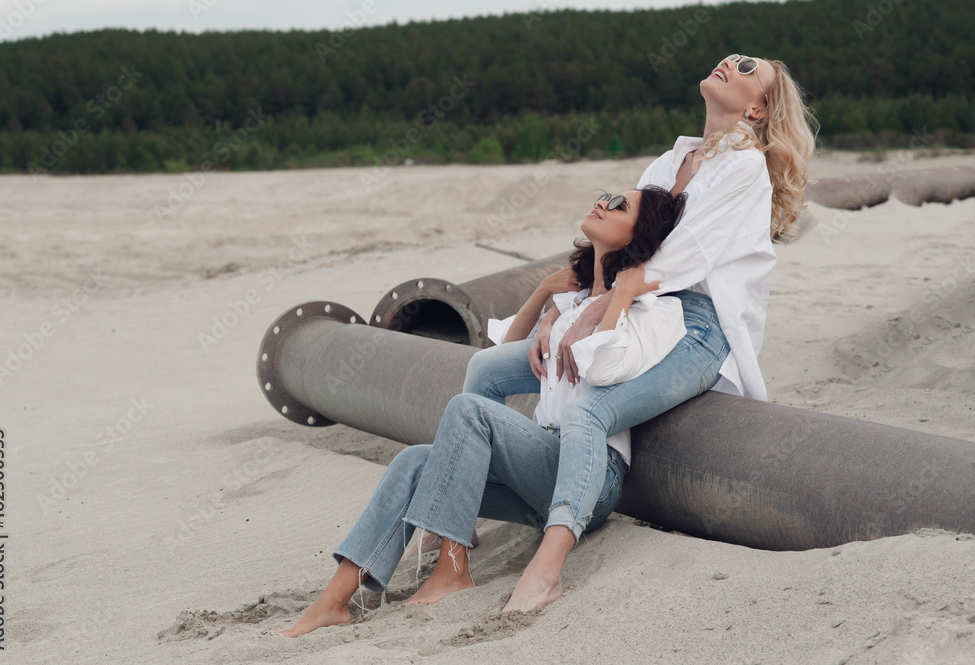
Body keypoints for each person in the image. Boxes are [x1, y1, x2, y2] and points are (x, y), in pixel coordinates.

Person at [459, 53, 818, 611]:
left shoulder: (744, 168)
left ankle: (548, 566)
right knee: (484, 369)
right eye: (729, 57)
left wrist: (602, 305)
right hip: (631, 311)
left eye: (747, 68)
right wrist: (562, 309)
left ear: (758, 107)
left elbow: (684, 257)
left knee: (588, 410)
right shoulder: (669, 161)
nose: (729, 62)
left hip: (697, 328)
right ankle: (458, 520)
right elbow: (619, 245)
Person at [276, 184, 688, 638]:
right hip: (539, 473)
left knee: (469, 411)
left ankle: (453, 568)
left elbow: (607, 368)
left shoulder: (650, 306)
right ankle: (336, 598)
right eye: (605, 195)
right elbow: (496, 362)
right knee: (414, 460)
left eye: (618, 205)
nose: (602, 202)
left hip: (592, 476)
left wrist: (620, 297)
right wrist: (548, 296)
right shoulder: (572, 303)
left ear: (638, 234)